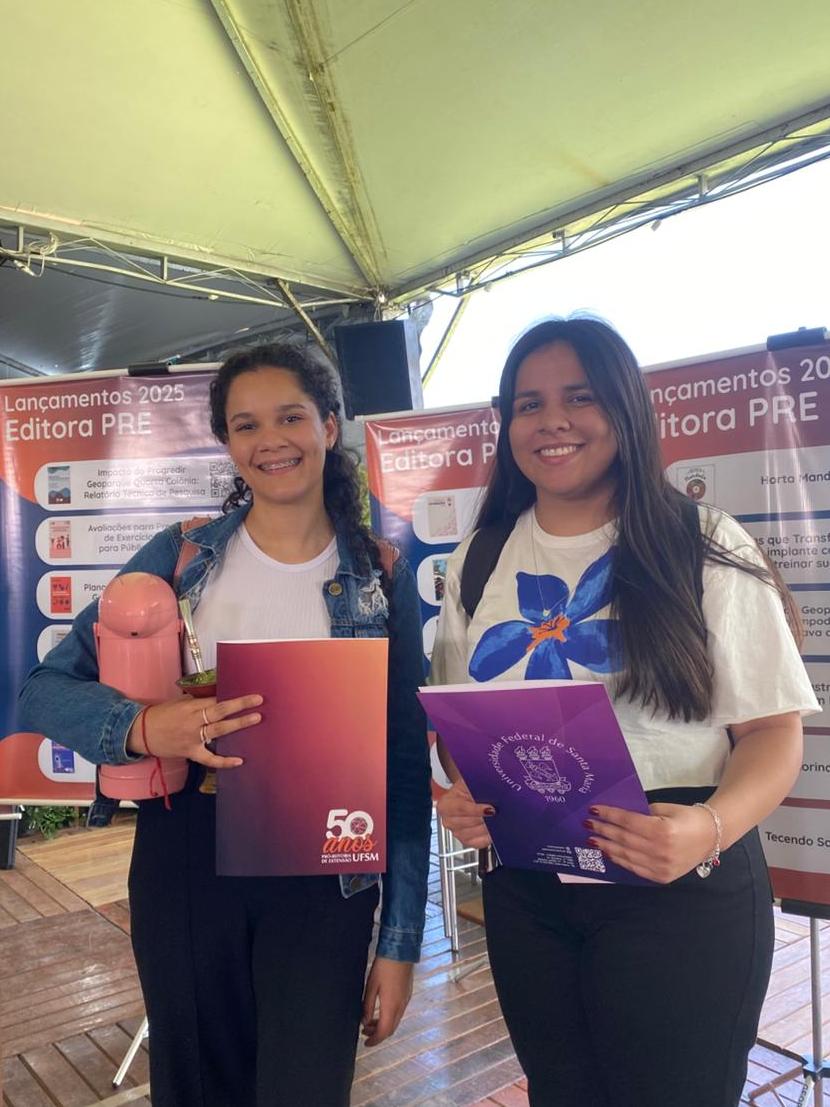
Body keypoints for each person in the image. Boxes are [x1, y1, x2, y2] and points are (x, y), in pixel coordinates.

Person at [18, 341, 432, 1107]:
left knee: (304, 1090)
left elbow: (403, 765)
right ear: (228, 443)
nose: (269, 440)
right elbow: (41, 689)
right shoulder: (180, 556)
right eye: (245, 424)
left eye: (290, 416)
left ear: (329, 425)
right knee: (197, 1088)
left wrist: (400, 944)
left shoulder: (380, 574)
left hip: (326, 873)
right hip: (187, 858)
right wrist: (146, 726)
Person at [429, 317, 817, 1107]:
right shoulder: (479, 559)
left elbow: (774, 734)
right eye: (528, 403)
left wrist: (705, 829)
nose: (553, 421)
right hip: (531, 884)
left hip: (679, 873)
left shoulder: (704, 545)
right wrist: (462, 793)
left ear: (627, 410)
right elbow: (455, 721)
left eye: (580, 396)